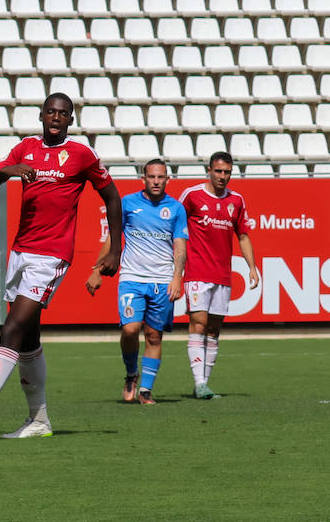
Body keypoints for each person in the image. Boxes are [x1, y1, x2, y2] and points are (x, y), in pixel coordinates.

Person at [0, 93, 123, 439]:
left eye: (63, 113)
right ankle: (39, 420)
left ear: (70, 120)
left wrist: (116, 249)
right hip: (20, 252)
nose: (56, 117)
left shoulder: (81, 155)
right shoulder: (25, 148)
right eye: (51, 112)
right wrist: (5, 171)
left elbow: (112, 197)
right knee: (27, 337)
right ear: (41, 115)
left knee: (12, 328)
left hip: (51, 255)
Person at [84, 158, 188, 404]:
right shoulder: (128, 203)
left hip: (163, 280)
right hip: (132, 278)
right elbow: (113, 239)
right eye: (151, 176)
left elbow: (180, 247)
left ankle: (145, 390)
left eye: (160, 177)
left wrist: (177, 278)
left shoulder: (175, 209)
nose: (155, 181)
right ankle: (131, 373)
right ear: (143, 178)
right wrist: (97, 270)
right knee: (130, 329)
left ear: (167, 179)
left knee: (154, 336)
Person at [178, 151, 259, 399]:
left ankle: (204, 383)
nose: (223, 176)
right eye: (219, 171)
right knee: (199, 322)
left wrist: (252, 267)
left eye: (227, 172)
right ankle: (200, 382)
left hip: (222, 274)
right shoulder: (192, 196)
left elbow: (243, 235)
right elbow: (175, 227)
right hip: (197, 272)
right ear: (209, 170)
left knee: (213, 330)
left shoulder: (237, 200)